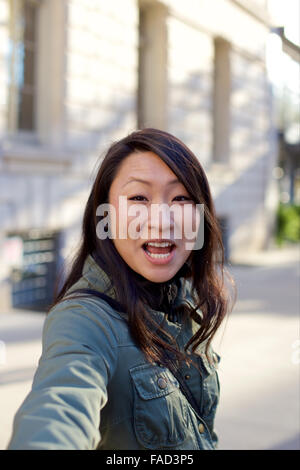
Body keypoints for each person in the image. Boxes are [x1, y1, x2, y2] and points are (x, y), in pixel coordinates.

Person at [7, 128, 235, 450]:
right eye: (139, 198)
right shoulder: (84, 320)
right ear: (106, 215)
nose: (162, 221)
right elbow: (58, 412)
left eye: (181, 198)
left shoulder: (185, 301)